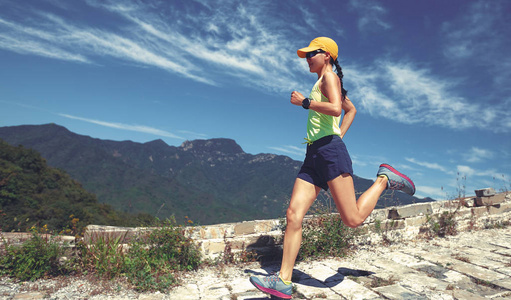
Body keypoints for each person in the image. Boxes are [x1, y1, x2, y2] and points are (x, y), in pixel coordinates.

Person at [249, 37, 415, 299]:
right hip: (314, 153)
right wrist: (337, 135)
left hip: (329, 153)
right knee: (293, 214)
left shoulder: (330, 79)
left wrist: (305, 103)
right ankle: (283, 280)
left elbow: (337, 109)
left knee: (353, 219)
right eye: (305, 55)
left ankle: (384, 179)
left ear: (326, 55)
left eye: (311, 54)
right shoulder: (322, 82)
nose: (306, 58)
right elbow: (351, 110)